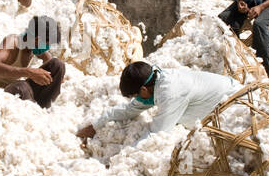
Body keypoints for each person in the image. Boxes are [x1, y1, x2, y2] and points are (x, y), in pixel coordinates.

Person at [77, 61, 239, 144]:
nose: (136, 100)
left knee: (180, 124)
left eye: (135, 96)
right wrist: (96, 125)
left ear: (143, 91)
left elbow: (157, 134)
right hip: (218, 96)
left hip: (235, 105)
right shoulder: (154, 81)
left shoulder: (170, 92)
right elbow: (129, 110)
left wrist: (120, 157)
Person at [0, 15, 64, 108]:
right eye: (47, 44)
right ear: (37, 39)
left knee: (58, 65)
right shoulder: (11, 41)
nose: (47, 48)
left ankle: (45, 106)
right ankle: (34, 110)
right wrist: (30, 73)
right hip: (1, 91)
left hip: (20, 90)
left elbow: (50, 62)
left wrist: (57, 76)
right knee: (22, 87)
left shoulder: (34, 46)